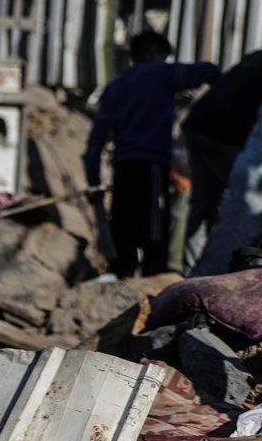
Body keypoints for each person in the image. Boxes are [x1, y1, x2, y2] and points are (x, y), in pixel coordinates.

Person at [84, 31, 220, 277]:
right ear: (152, 52)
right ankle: (152, 284)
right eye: (163, 56)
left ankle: (122, 279)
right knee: (154, 236)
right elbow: (209, 71)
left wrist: (93, 178)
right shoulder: (162, 74)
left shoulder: (115, 87)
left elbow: (95, 141)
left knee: (124, 231)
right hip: (152, 167)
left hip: (122, 169)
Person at [180, 47, 262, 271]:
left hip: (197, 126)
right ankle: (226, 269)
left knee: (202, 204)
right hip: (224, 135)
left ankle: (192, 271)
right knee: (245, 205)